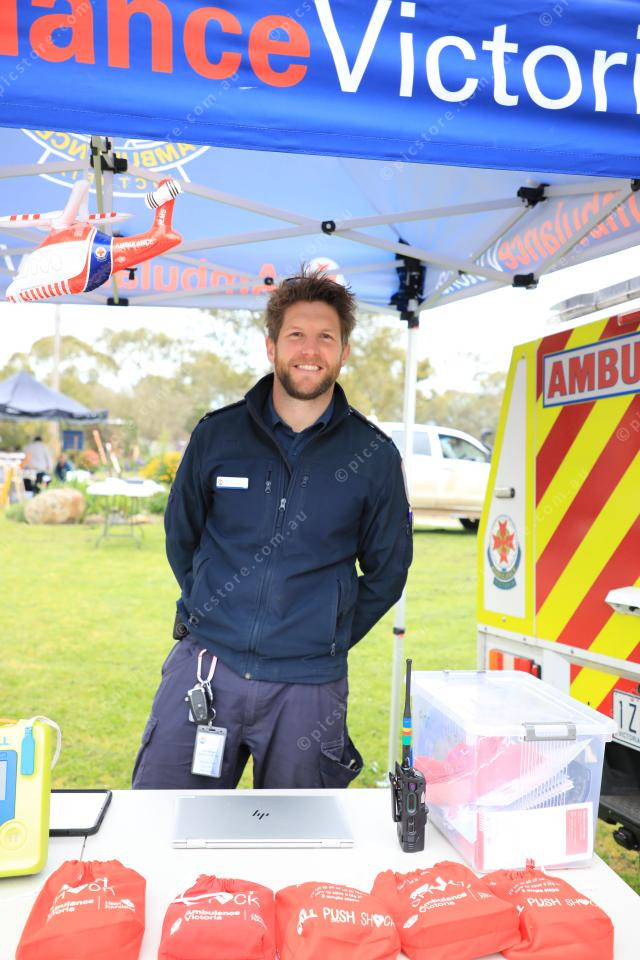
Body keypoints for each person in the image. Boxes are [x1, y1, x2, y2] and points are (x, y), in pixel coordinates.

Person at [132, 270, 413, 790]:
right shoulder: (217, 435)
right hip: (206, 667)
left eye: (325, 337)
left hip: (309, 689)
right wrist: (213, 609)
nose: (310, 350)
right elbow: (181, 536)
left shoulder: (373, 455)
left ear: (344, 351)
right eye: (296, 335)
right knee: (164, 819)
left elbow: (388, 571)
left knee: (298, 835)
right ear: (271, 346)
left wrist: (325, 633)